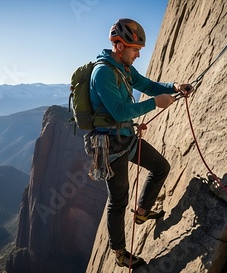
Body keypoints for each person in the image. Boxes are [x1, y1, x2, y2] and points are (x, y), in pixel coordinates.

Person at [89, 18, 193, 268]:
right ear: (120, 46)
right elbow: (120, 111)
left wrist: (174, 86)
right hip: (110, 148)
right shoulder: (103, 72)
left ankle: (143, 212)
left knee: (161, 167)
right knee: (118, 200)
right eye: (135, 50)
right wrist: (154, 103)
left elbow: (146, 85)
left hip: (126, 138)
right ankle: (120, 253)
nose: (137, 55)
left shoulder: (123, 69)